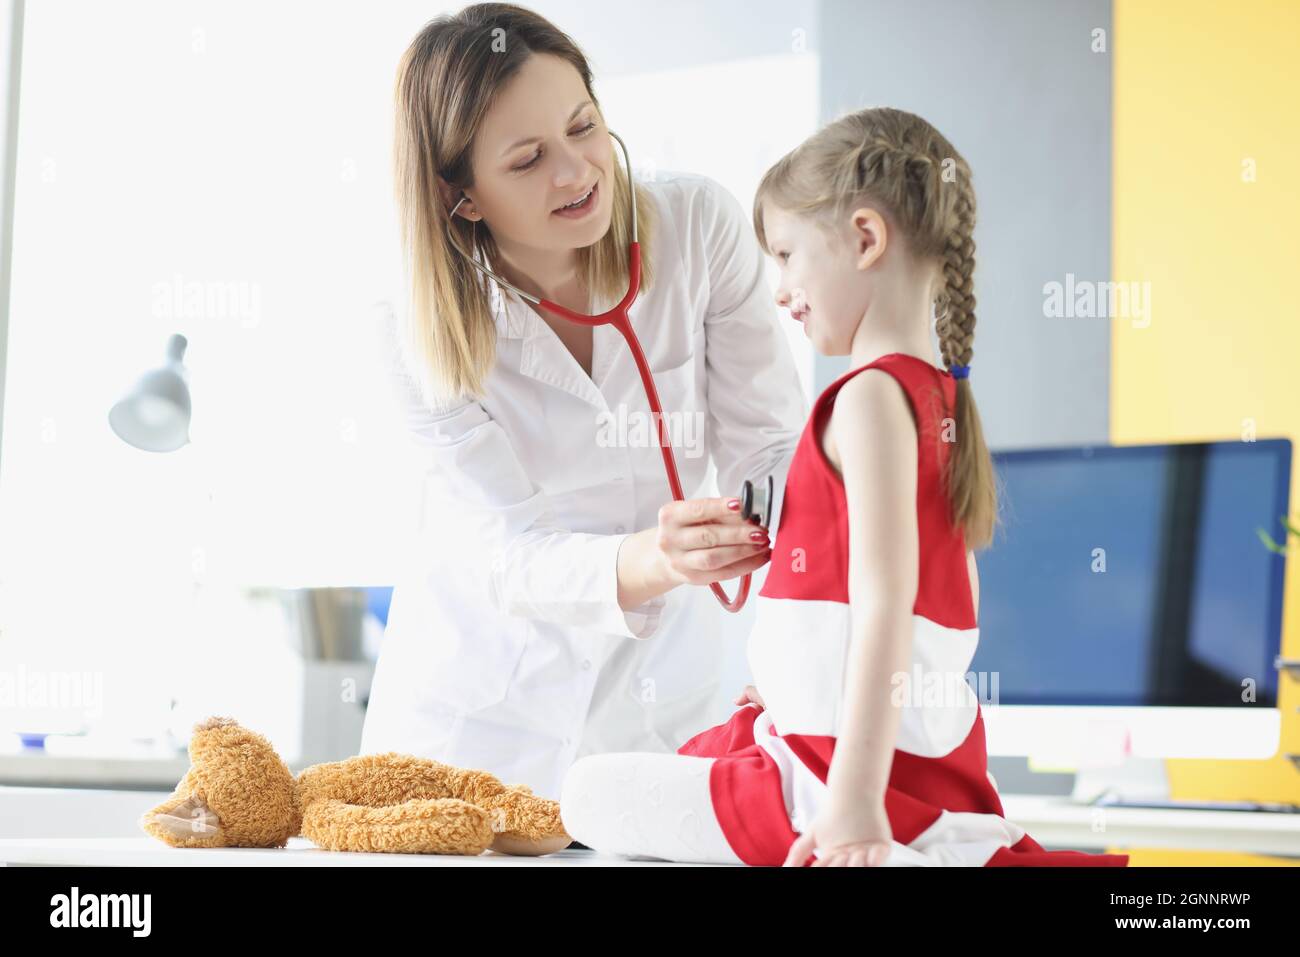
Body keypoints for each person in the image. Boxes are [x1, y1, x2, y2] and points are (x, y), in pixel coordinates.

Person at [558, 106, 1131, 867]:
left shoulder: (866, 398)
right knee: (694, 750)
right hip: (894, 756)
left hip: (832, 777)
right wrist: (793, 687)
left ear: (865, 238)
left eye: (789, 254)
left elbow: (885, 605)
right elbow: (941, 607)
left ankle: (883, 839)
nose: (780, 289)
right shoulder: (939, 396)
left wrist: (854, 805)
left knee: (584, 791)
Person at [359, 3, 807, 802]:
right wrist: (655, 558)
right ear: (461, 196)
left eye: (584, 127)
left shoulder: (695, 226)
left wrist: (801, 645)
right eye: (528, 159)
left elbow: (771, 452)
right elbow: (510, 552)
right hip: (475, 723)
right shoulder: (411, 322)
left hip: (661, 711)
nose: (577, 172)